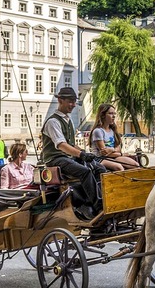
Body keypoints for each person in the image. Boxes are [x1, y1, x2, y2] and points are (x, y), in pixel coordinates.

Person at [40, 87, 106, 219]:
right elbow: (61, 145)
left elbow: (70, 144)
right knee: (85, 171)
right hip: (55, 159)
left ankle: (93, 200)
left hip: (67, 157)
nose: (73, 105)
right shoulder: (53, 122)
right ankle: (99, 206)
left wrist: (84, 152)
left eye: (74, 101)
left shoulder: (68, 121)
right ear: (60, 100)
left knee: (99, 168)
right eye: (70, 101)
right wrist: (81, 155)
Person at [90, 103, 141, 172]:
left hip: (113, 156)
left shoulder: (112, 131)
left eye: (114, 114)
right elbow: (104, 153)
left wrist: (111, 149)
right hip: (100, 159)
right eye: (110, 113)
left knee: (136, 165)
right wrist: (119, 153)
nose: (113, 116)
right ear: (102, 115)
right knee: (119, 167)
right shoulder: (98, 131)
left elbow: (118, 148)